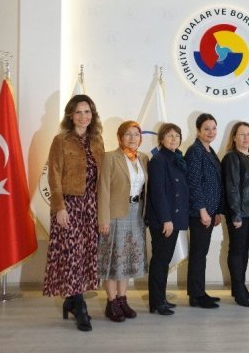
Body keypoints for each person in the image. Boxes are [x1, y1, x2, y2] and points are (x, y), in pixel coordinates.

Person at [43, 94, 105, 332]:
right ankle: (79, 307)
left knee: (85, 255)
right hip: (68, 205)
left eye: (87, 111)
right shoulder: (61, 140)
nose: (83, 116)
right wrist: (59, 207)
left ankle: (71, 300)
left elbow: (102, 177)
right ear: (70, 115)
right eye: (78, 112)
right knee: (71, 256)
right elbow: (54, 175)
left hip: (91, 206)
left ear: (92, 115)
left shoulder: (97, 140)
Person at [97, 121, 148, 322]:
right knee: (113, 259)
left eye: (136, 134)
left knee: (126, 259)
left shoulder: (143, 158)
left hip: (136, 214)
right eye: (128, 134)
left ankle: (122, 299)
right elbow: (103, 189)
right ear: (119, 137)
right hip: (115, 214)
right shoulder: (110, 157)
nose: (132, 138)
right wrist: (104, 219)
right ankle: (111, 302)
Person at [145, 123, 189, 316]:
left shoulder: (177, 158)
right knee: (160, 261)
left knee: (164, 261)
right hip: (163, 220)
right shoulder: (158, 160)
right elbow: (158, 193)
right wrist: (166, 219)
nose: (174, 139)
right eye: (169, 135)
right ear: (161, 139)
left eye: (177, 135)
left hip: (174, 217)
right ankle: (156, 302)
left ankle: (160, 299)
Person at [222, 121, 249, 307]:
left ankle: (240, 286)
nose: (246, 137)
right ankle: (238, 289)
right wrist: (236, 214)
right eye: (242, 134)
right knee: (237, 250)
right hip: (240, 213)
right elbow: (232, 187)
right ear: (234, 137)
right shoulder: (232, 157)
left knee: (244, 250)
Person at [184, 113, 223, 309]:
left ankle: (200, 291)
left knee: (202, 253)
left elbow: (215, 182)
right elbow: (194, 184)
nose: (211, 132)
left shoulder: (209, 150)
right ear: (198, 130)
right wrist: (203, 211)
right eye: (206, 128)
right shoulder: (195, 151)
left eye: (213, 128)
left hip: (210, 211)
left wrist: (217, 211)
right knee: (198, 254)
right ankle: (196, 296)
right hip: (199, 213)